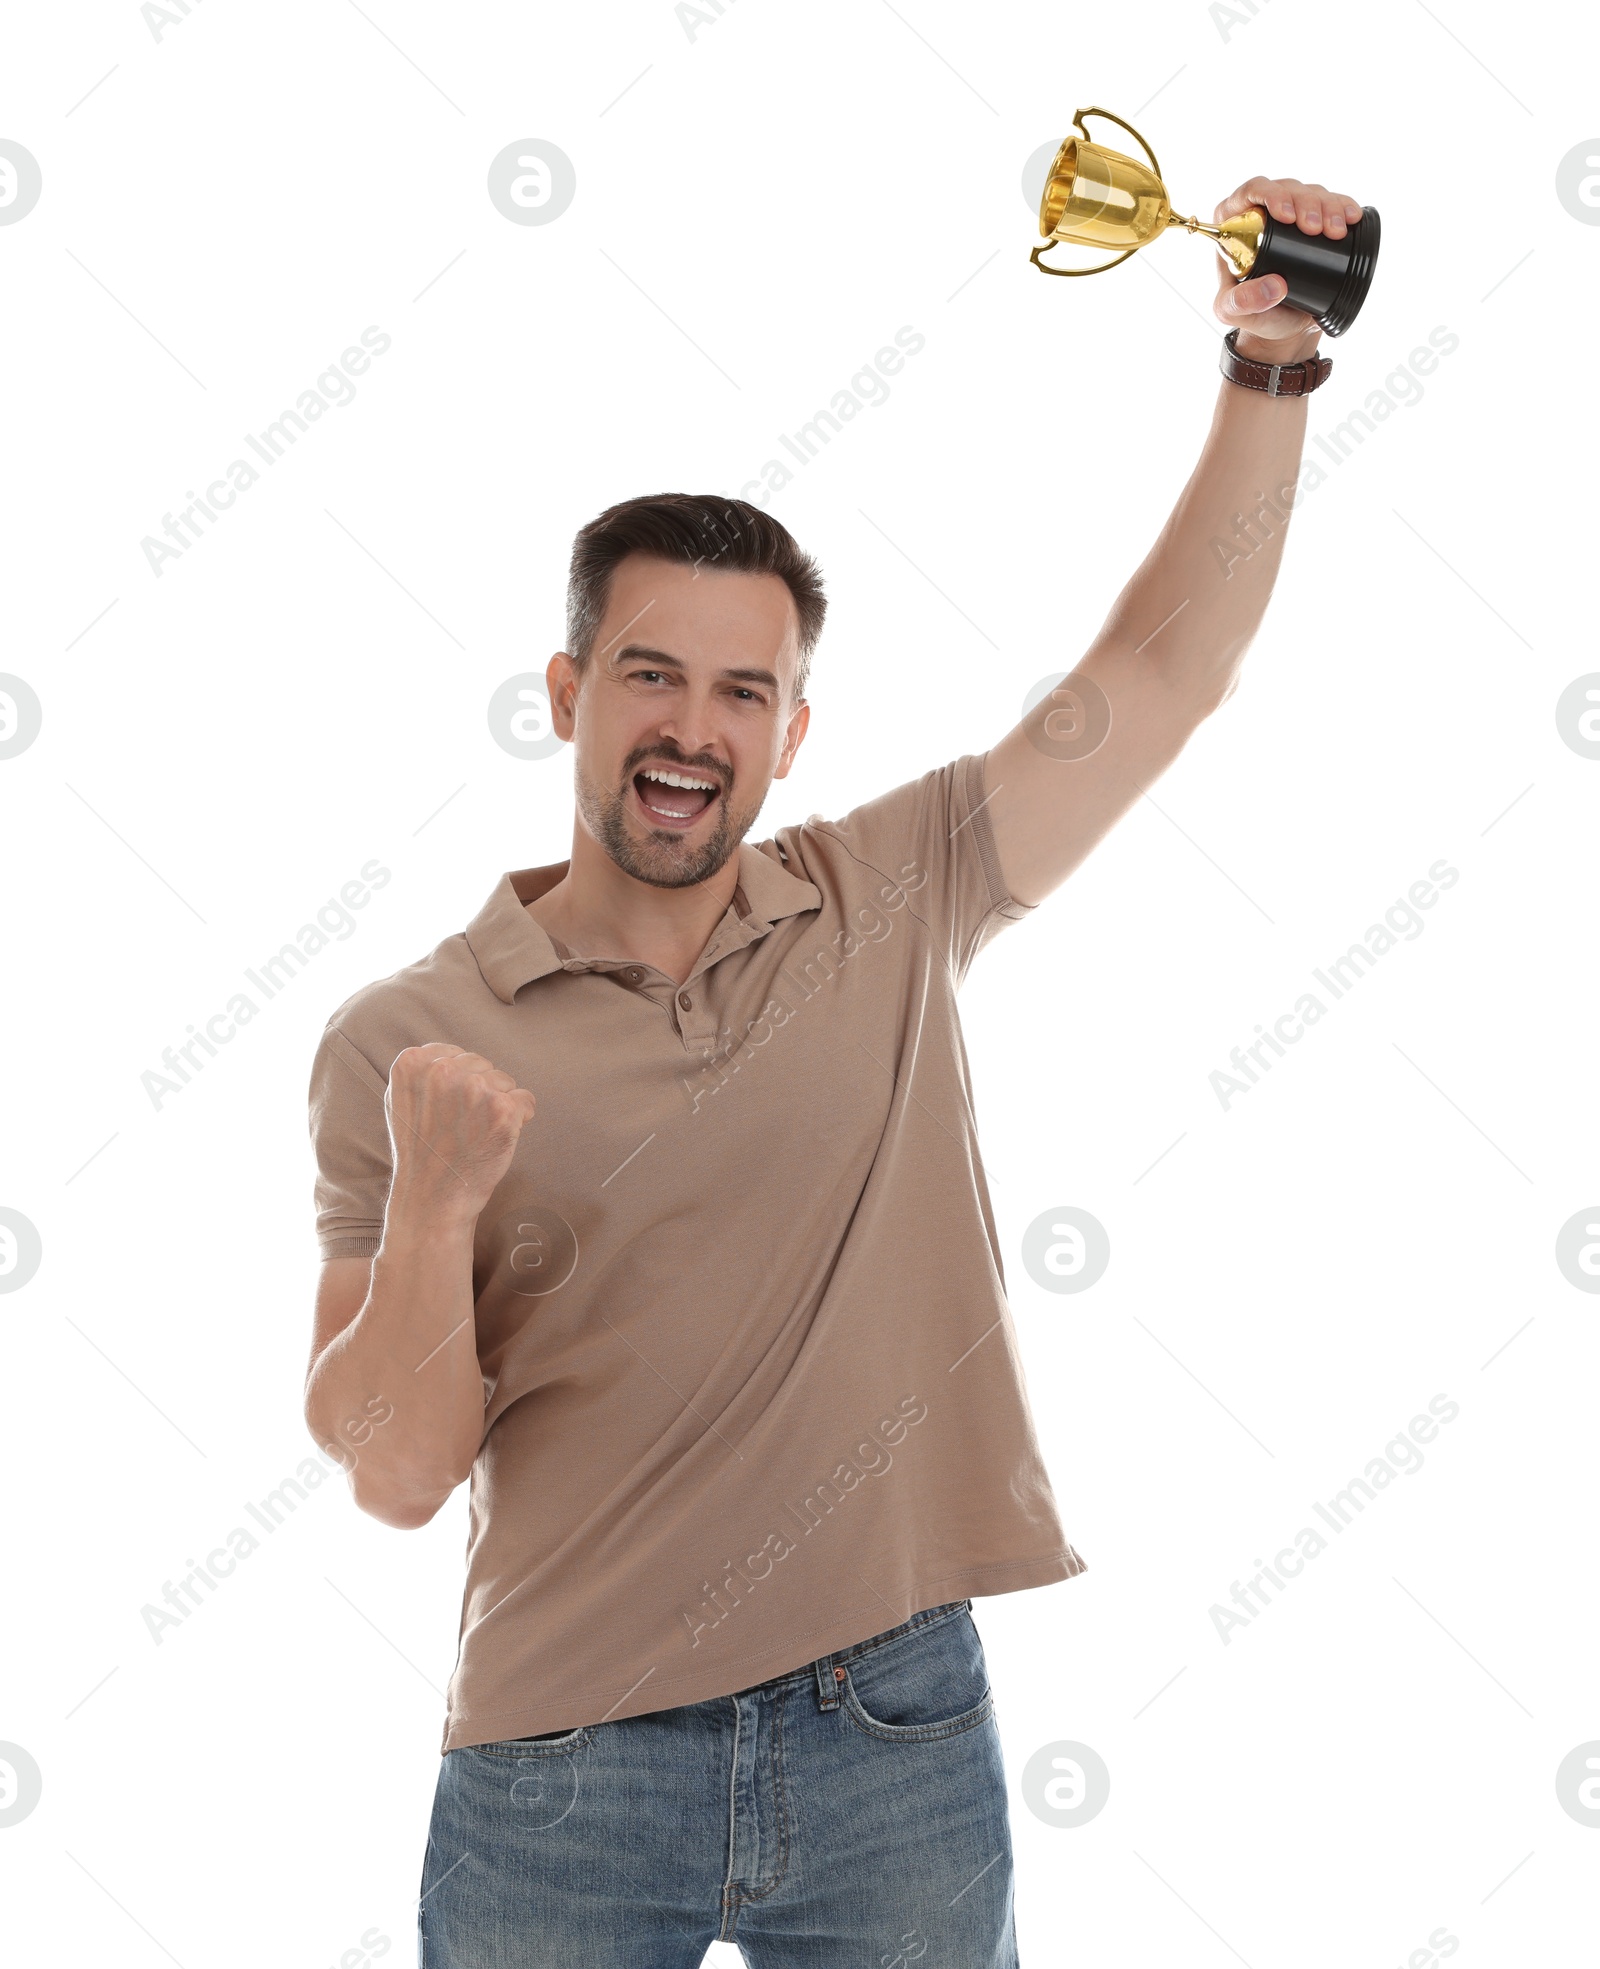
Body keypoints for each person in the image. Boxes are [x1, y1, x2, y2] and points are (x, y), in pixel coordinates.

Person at [304, 174, 1363, 1966]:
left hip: (892, 1728)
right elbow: (398, 1475)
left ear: (795, 733)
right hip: (564, 1757)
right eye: (650, 676)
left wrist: (1272, 371)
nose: (690, 732)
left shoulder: (893, 890)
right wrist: (435, 1211)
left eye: (741, 694)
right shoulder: (405, 1042)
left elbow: (1164, 674)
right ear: (565, 693)